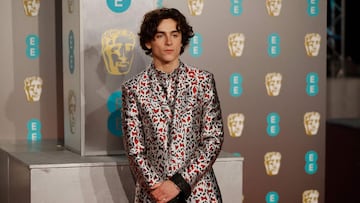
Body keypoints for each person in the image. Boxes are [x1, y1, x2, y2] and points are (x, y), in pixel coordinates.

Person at [121, 7, 224, 203]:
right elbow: (135, 149)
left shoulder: (202, 81)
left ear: (182, 40)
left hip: (200, 192)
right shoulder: (133, 88)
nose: (169, 42)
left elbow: (213, 138)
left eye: (175, 35)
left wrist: (179, 183)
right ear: (148, 42)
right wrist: (157, 187)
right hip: (154, 195)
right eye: (160, 35)